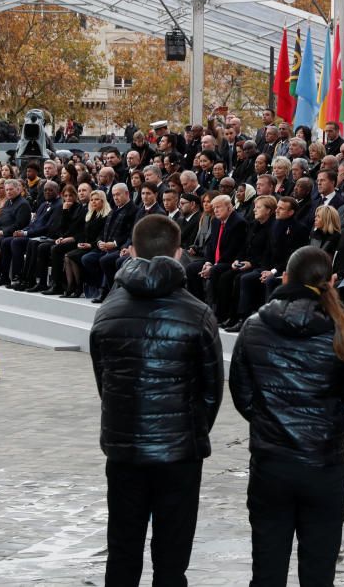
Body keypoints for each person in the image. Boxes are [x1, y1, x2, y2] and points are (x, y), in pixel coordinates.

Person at [89, 214, 223, 587]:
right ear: (178, 253)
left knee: (123, 549)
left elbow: (105, 381)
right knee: (172, 556)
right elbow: (212, 389)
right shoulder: (197, 313)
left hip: (126, 445)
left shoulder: (108, 312)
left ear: (132, 251)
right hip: (178, 449)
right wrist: (191, 428)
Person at [229, 246, 344, 586]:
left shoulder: (256, 325)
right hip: (322, 464)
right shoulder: (340, 330)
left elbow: (243, 393)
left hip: (273, 462)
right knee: (318, 572)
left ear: (286, 277)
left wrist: (269, 424)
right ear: (332, 281)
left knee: (267, 568)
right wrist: (328, 433)